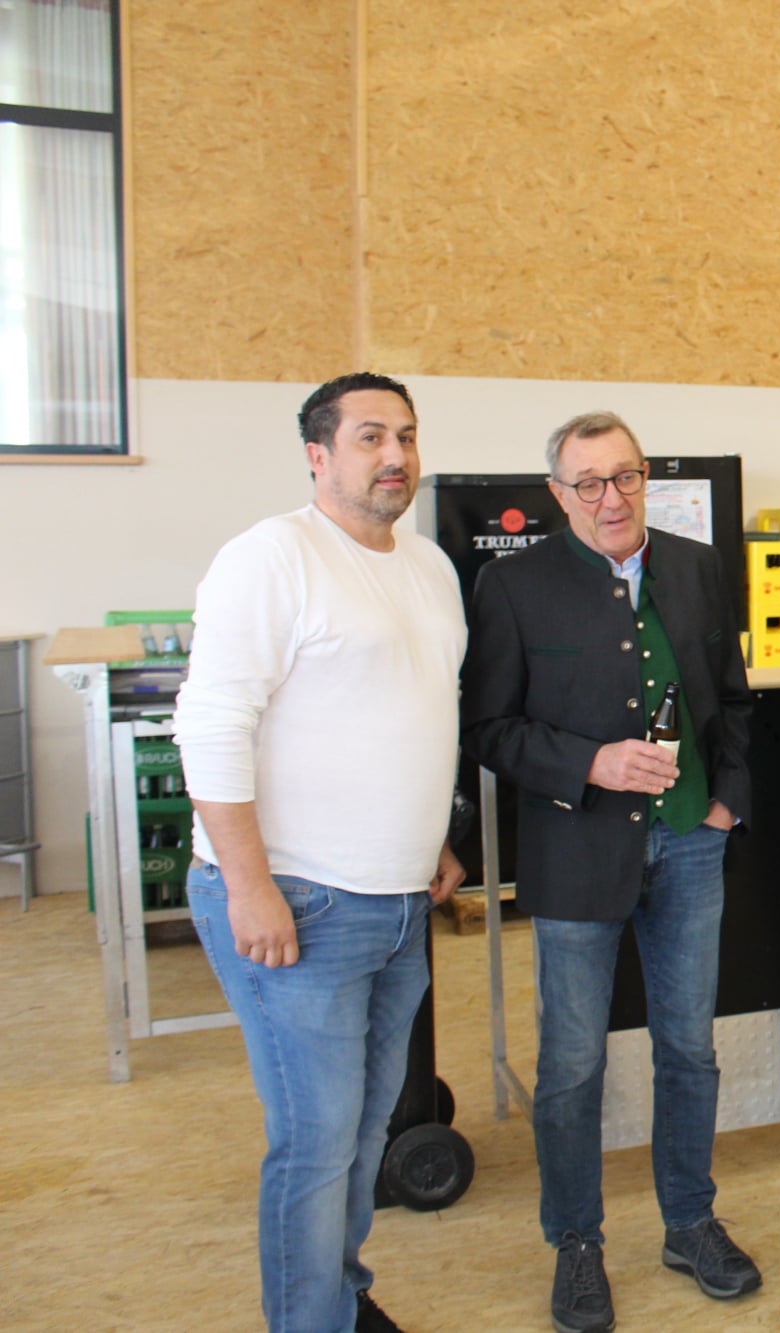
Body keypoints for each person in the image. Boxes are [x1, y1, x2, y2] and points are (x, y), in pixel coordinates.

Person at [175, 372, 467, 1333]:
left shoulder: (428, 566)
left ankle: (338, 1297)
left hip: (399, 902)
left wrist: (432, 837)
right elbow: (211, 727)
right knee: (315, 1141)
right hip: (299, 901)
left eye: (407, 436)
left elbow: (412, 708)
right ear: (317, 455)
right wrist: (249, 884)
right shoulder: (273, 557)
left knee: (363, 1130)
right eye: (370, 436)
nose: (395, 455)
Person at [461, 411, 760, 1332]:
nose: (611, 498)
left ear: (646, 479)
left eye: (625, 476)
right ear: (559, 495)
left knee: (689, 1048)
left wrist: (726, 801)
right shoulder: (513, 585)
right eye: (588, 483)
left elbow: (733, 700)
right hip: (576, 853)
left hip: (691, 844)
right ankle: (577, 1243)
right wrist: (590, 762)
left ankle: (690, 1222)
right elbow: (490, 729)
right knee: (572, 1062)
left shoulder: (697, 566)